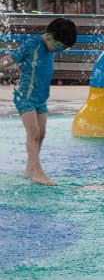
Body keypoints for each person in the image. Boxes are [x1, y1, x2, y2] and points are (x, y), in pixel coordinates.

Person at [0, 17, 77, 185]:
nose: (58, 51)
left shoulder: (50, 47)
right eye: (59, 47)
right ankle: (37, 172)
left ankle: (30, 168)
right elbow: (12, 58)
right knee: (33, 133)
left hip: (41, 98)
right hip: (25, 96)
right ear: (50, 37)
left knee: (41, 134)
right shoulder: (33, 44)